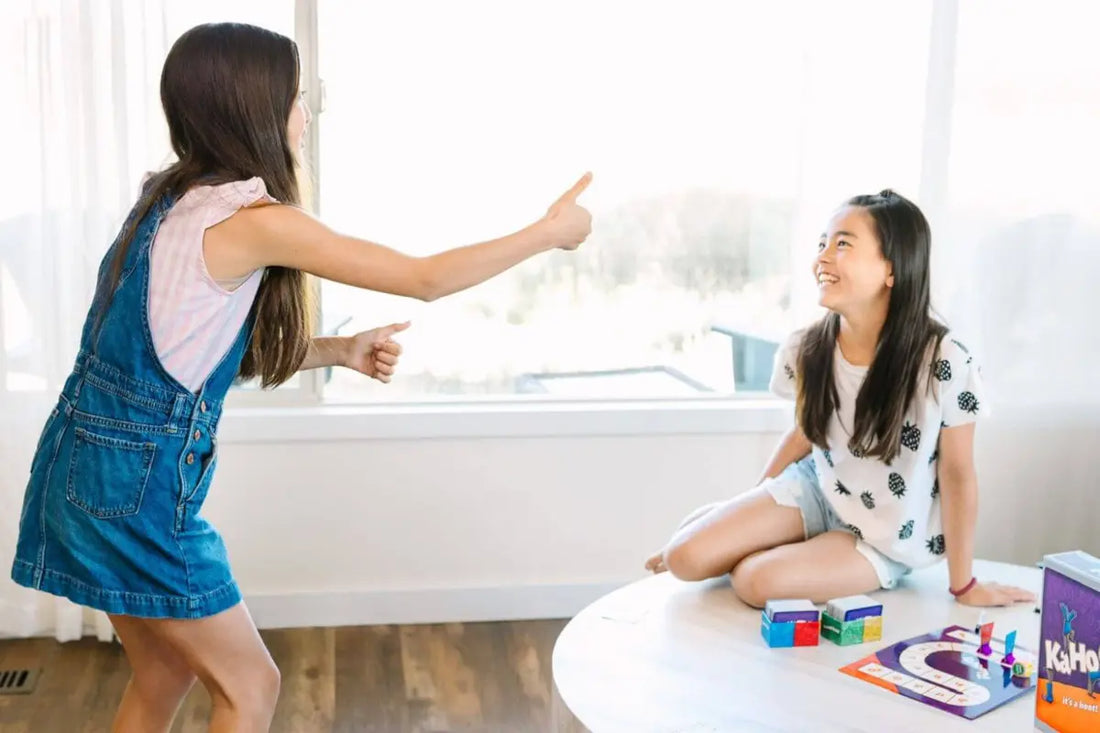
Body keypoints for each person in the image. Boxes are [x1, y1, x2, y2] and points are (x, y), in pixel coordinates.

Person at [10, 22, 592, 733]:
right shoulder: (252, 220)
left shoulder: (166, 202)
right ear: (250, 106)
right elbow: (425, 278)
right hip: (135, 490)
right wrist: (547, 233)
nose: (305, 111)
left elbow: (186, 358)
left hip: (79, 468)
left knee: (162, 673)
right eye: (293, 96)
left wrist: (339, 350)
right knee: (251, 687)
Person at [645, 189, 1034, 612]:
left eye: (843, 244)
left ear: (892, 268)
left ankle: (793, 552)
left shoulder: (944, 359)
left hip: (885, 533)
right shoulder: (809, 347)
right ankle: (767, 540)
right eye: (822, 243)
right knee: (683, 558)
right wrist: (751, 502)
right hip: (816, 489)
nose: (822, 257)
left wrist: (964, 584)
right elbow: (805, 434)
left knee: (753, 581)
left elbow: (957, 473)